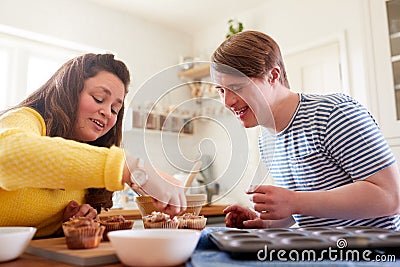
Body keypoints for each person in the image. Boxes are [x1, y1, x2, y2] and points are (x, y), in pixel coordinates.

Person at [210, 30, 400, 230]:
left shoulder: (334, 113)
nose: (227, 102)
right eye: (221, 90)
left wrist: (294, 201)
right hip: (319, 255)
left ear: (272, 76)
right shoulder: (266, 138)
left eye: (237, 88)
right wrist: (265, 221)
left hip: (371, 255)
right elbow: (304, 207)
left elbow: (391, 197)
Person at [0, 53, 186, 238]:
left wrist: (66, 224)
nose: (106, 112)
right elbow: (8, 154)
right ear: (69, 91)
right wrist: (130, 168)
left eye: (115, 109)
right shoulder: (26, 119)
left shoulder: (85, 158)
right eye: (98, 98)